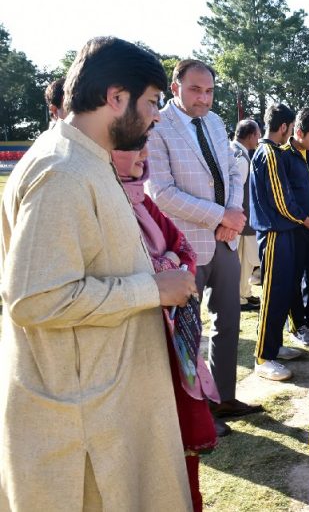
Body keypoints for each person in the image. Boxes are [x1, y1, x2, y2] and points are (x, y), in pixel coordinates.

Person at [0, 36, 194, 511]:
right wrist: (152, 289)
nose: (156, 116)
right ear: (116, 97)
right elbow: (34, 299)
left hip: (104, 404)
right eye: (152, 102)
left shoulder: (85, 158)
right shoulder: (61, 172)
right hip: (82, 423)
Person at [146, 59, 261, 437]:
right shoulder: (157, 125)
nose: (204, 98)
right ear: (175, 87)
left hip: (224, 241)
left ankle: (224, 398)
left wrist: (234, 215)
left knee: (229, 323)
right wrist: (220, 216)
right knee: (188, 334)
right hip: (184, 248)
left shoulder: (214, 122)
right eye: (196, 90)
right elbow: (161, 193)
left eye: (209, 91)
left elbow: (233, 172)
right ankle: (195, 414)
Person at [112, 144, 217, 512]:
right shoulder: (105, 203)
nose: (144, 154)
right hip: (136, 348)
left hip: (169, 340)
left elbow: (182, 247)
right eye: (132, 147)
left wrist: (166, 267)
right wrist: (163, 272)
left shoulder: (141, 200)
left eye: (145, 145)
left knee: (180, 452)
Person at [252, 107, 309, 380]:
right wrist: (305, 219)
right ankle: (263, 356)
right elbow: (281, 199)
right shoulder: (271, 153)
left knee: (285, 291)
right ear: (286, 127)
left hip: (286, 231)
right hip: (275, 233)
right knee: (273, 295)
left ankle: (274, 346)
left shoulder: (273, 152)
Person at [230, 119, 262, 312]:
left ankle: (243, 294)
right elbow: (235, 193)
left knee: (244, 260)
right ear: (250, 136)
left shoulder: (233, 151)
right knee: (245, 260)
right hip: (240, 220)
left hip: (239, 220)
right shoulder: (241, 158)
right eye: (257, 135)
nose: (258, 139)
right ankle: (240, 297)